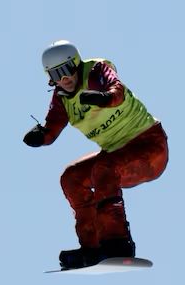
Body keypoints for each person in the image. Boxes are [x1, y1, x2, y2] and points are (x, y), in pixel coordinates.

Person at [23, 40, 168, 269]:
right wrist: (40, 136)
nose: (64, 79)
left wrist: (103, 97)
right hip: (116, 154)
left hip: (149, 147)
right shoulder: (62, 97)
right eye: (56, 74)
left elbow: (117, 91)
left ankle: (117, 244)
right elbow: (52, 128)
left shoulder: (95, 71)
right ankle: (92, 247)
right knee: (71, 178)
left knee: (104, 168)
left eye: (66, 69)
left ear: (76, 63)